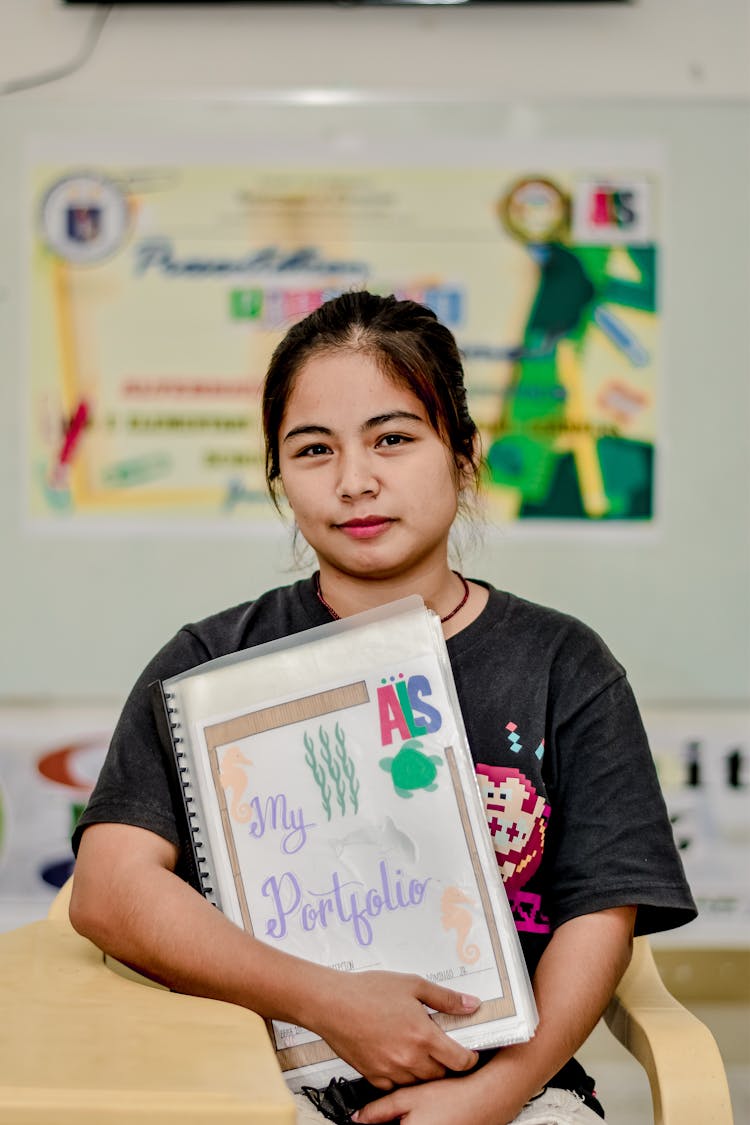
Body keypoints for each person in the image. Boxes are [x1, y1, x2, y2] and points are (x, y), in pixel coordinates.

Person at [70, 291, 696, 1125]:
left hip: (512, 1091)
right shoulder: (211, 666)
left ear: (462, 454)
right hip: (256, 1091)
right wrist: (326, 999)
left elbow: (601, 914)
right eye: (313, 449)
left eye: (393, 439)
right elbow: (108, 890)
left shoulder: (562, 665)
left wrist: (491, 1096)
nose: (355, 481)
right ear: (278, 476)